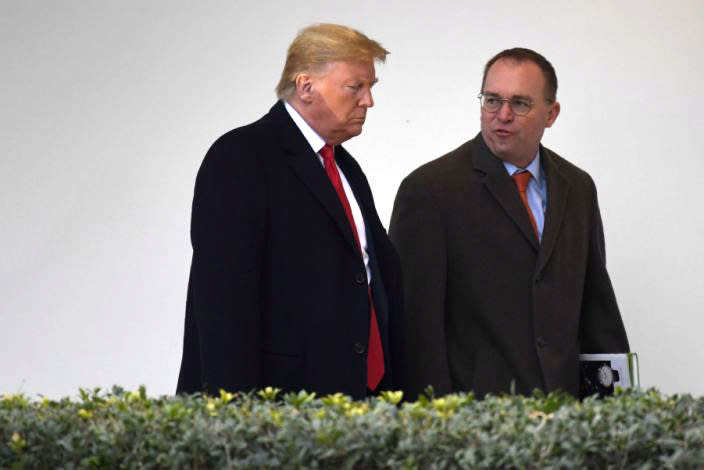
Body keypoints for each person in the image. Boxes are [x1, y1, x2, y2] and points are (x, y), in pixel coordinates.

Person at [176, 24, 403, 400]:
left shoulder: (346, 168)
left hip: (358, 403)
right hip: (279, 411)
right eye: (355, 87)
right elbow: (222, 301)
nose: (368, 101)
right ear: (306, 86)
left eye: (371, 88)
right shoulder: (241, 157)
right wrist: (237, 416)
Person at [389, 48, 629, 399]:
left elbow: (595, 308)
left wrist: (613, 413)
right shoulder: (430, 191)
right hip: (476, 425)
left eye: (519, 103)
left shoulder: (578, 187)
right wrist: (433, 428)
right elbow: (416, 332)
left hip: (566, 420)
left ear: (551, 113)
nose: (501, 115)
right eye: (491, 100)